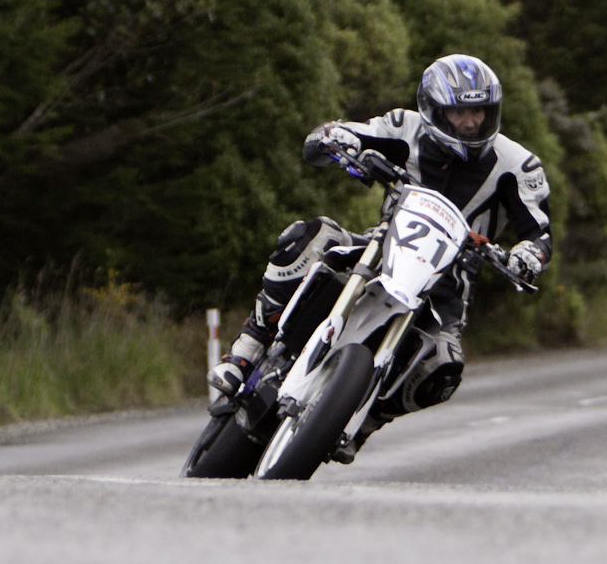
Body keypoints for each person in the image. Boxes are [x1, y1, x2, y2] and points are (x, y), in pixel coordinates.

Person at [207, 54, 552, 458]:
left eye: (479, 112)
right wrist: (337, 138)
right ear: (433, 109)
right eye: (459, 112)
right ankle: (245, 353)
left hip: (447, 285)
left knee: (443, 368)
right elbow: (342, 133)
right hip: (380, 249)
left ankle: (364, 421)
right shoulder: (404, 126)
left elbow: (539, 232)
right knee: (307, 238)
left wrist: (528, 254)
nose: (471, 123)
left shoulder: (519, 165)